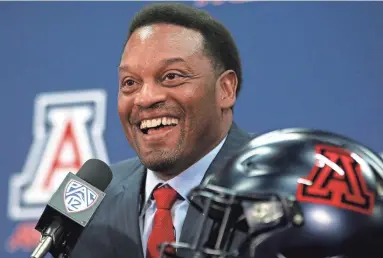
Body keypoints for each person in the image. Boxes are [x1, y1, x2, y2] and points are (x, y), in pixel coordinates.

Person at [70, 3, 251, 258]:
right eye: (130, 83)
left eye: (171, 76)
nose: (145, 98)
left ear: (225, 89)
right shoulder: (92, 197)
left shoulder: (286, 184)